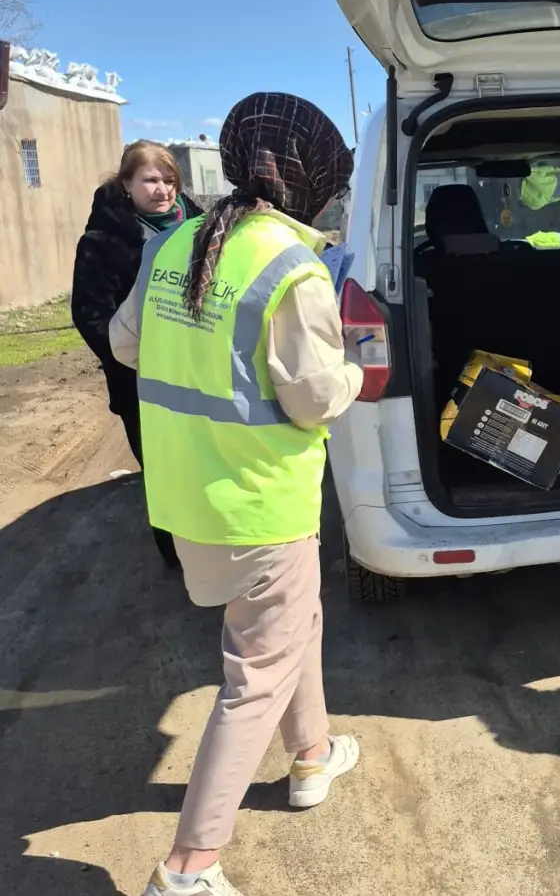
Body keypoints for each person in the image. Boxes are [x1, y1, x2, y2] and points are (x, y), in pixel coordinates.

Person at [109, 94, 365, 896]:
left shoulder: (179, 240)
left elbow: (125, 341)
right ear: (311, 176)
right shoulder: (295, 266)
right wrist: (359, 366)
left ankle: (312, 756)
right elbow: (316, 399)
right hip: (262, 501)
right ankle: (190, 866)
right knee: (255, 675)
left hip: (187, 496)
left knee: (293, 630)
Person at [71, 140, 203, 570]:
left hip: (205, 375)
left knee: (206, 463)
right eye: (149, 179)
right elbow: (91, 313)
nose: (162, 189)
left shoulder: (203, 229)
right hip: (141, 381)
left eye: (169, 180)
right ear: (126, 184)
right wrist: (135, 357)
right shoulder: (103, 241)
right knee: (164, 473)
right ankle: (179, 558)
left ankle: (217, 548)